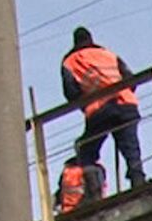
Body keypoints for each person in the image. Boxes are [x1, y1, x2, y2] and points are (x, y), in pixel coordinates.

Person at [61, 27, 147, 190]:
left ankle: (93, 191)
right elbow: (130, 79)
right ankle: (138, 182)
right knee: (130, 147)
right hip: (126, 104)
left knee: (85, 150)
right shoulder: (108, 54)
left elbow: (71, 92)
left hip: (99, 109)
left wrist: (86, 104)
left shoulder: (70, 61)